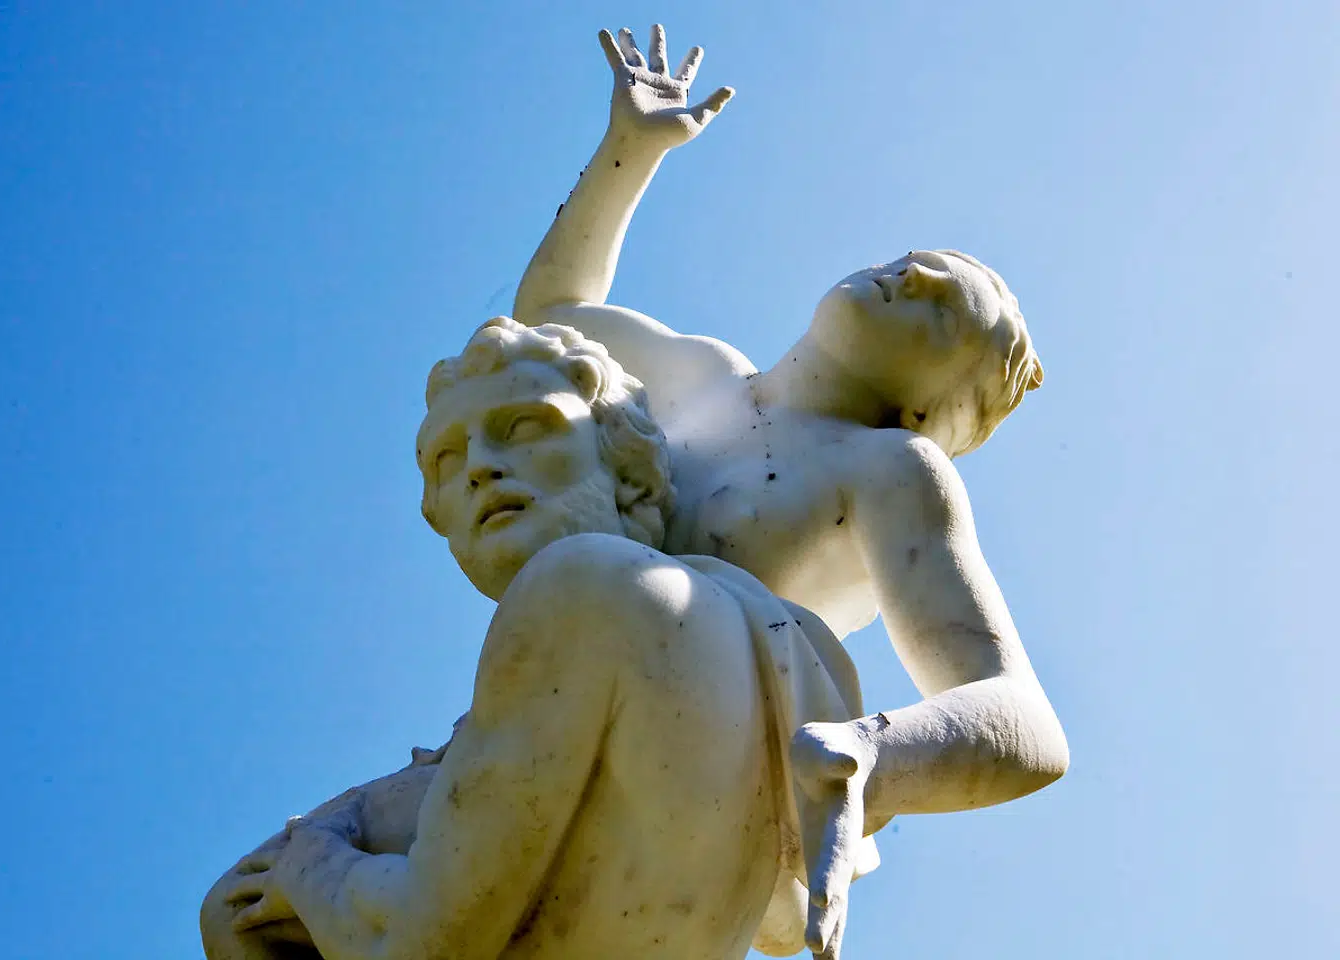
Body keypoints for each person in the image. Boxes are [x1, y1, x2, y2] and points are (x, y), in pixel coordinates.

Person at [510, 26, 1068, 952]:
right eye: (917, 261)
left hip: (676, 794)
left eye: (944, 309)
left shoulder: (886, 469)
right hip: (539, 725)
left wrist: (869, 755)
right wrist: (630, 153)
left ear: (931, 410)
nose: (915, 274)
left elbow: (1024, 719)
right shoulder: (703, 372)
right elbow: (549, 321)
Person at [201, 319, 864, 960]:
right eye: (448, 459)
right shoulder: (767, 634)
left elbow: (416, 944)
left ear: (627, 466)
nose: (479, 468)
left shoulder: (586, 584)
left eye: (523, 428)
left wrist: (314, 864)